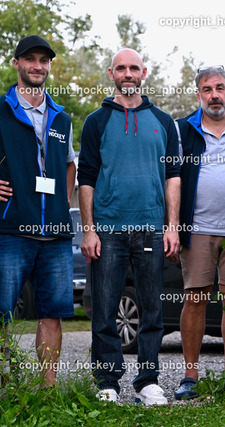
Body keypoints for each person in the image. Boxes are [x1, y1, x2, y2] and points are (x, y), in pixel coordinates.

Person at [78, 48, 180, 405]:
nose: (128, 73)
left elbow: (172, 176)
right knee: (105, 309)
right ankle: (107, 382)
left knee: (152, 310)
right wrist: (89, 229)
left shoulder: (163, 121)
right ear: (111, 74)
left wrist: (172, 226)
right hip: (108, 231)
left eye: (133, 68)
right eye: (121, 68)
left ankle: (148, 382)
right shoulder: (96, 121)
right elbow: (86, 178)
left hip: (151, 229)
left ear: (144, 72)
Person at [0, 35, 75, 387]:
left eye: (43, 60)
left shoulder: (62, 118)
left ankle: (48, 390)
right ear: (16, 63)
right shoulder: (2, 111)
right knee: (1, 313)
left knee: (52, 313)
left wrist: (63, 202)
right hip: (11, 230)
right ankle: (4, 387)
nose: (37, 66)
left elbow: (70, 164)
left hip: (55, 235)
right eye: (30, 59)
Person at [173, 66, 225, 400]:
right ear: (198, 94)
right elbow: (171, 178)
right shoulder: (182, 129)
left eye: (219, 88)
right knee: (195, 299)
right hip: (197, 227)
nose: (214, 95)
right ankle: (190, 375)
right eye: (207, 89)